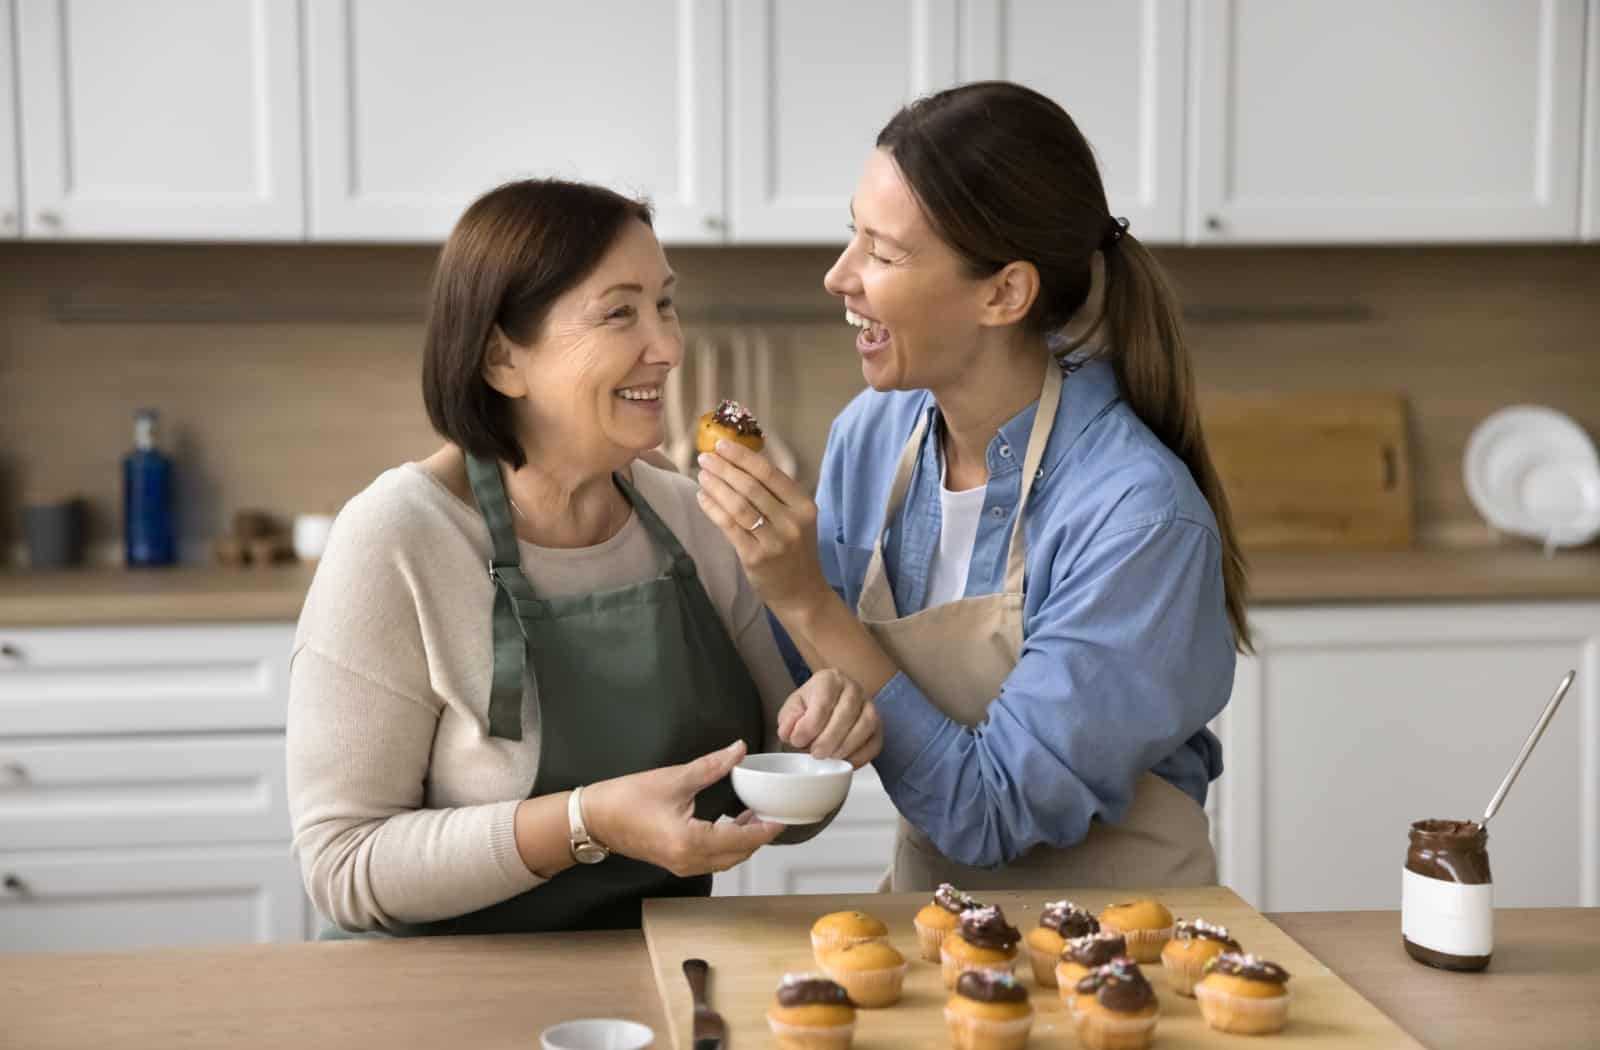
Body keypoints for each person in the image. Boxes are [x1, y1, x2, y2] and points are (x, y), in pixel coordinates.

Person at [286, 179, 881, 935]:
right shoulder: (398, 536)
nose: (668, 348)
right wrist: (584, 822)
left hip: (656, 970)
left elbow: (775, 803)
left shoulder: (691, 518)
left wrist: (821, 742)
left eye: (665, 305)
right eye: (619, 313)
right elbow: (342, 865)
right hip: (434, 986)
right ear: (502, 359)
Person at [694, 81, 1248, 891]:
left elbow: (987, 811)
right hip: (934, 912)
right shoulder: (872, 436)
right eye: (852, 236)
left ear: (1004, 293)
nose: (839, 276)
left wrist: (803, 597)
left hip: (1126, 933)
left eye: (883, 253)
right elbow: (816, 702)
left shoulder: (1138, 517)